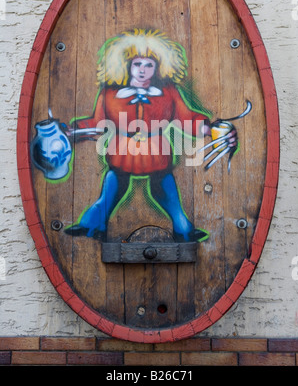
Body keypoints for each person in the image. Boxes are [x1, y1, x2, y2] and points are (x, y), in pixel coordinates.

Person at [65, 28, 237, 242]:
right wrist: (73, 132)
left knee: (168, 197)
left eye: (149, 64)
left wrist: (212, 130)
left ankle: (183, 230)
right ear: (127, 65)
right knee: (109, 194)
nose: (142, 70)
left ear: (158, 67)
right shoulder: (110, 93)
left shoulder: (168, 93)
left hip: (157, 155)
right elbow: (97, 123)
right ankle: (92, 225)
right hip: (121, 154)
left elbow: (186, 119)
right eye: (137, 64)